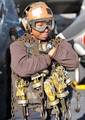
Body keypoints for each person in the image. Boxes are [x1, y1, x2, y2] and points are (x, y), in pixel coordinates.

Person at [10, 1, 79, 119]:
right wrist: (49, 57)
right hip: (30, 111)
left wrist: (55, 52)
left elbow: (74, 62)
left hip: (56, 109)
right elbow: (22, 68)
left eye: (49, 24)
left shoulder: (57, 42)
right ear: (29, 26)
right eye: (40, 24)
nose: (46, 29)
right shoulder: (18, 46)